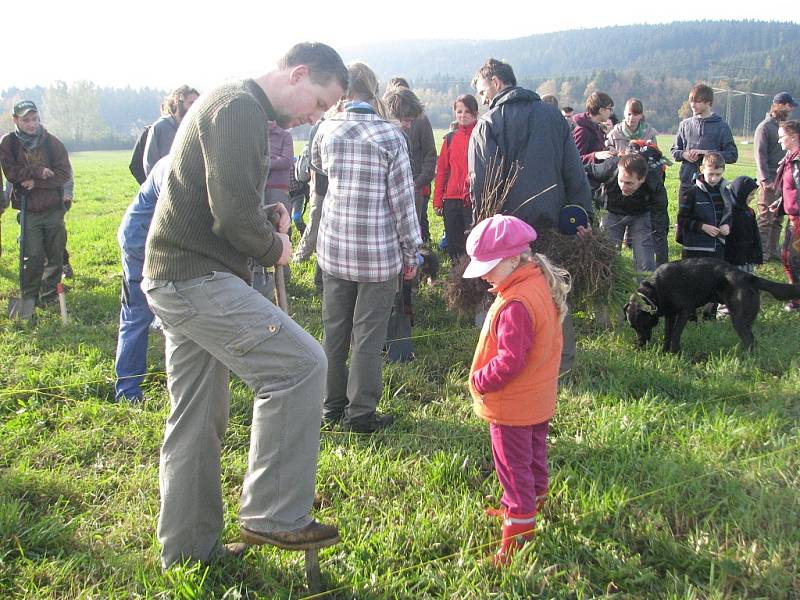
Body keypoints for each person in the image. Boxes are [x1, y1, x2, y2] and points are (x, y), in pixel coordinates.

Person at [142, 42, 348, 569]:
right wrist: (273, 244)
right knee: (302, 366)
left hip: (178, 276)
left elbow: (224, 200)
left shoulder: (233, 103)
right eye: (320, 103)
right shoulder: (240, 108)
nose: (313, 118)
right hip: (196, 278)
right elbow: (232, 220)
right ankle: (274, 514)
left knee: (195, 419)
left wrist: (265, 213)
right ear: (298, 73)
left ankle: (190, 553)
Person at [313, 63, 421, 433]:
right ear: (374, 91)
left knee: (335, 331)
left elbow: (311, 170)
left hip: (334, 250)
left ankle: (331, 406)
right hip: (378, 256)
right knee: (368, 337)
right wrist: (412, 254)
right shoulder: (390, 136)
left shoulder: (326, 130)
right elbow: (403, 204)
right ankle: (360, 414)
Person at [468, 57, 592, 374]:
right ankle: (559, 364)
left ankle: (505, 361)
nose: (483, 100)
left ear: (496, 82)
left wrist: (482, 231)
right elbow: (574, 173)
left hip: (507, 234)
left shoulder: (489, 124)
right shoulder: (553, 116)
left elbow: (482, 187)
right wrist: (582, 219)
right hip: (552, 227)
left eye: (483, 92)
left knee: (508, 295)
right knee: (552, 293)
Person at [463, 215, 569, 566]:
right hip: (537, 399)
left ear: (512, 259)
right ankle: (532, 506)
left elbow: (510, 362)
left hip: (512, 406)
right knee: (534, 457)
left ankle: (516, 540)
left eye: (489, 267)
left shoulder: (515, 305)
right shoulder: (536, 282)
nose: (483, 275)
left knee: (513, 470)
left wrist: (480, 380)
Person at [0, 100, 72, 310]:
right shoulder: (9, 144)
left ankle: (49, 297)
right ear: (15, 120)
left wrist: (36, 182)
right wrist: (38, 171)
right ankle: (29, 298)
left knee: (55, 256)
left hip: (53, 208)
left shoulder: (52, 143)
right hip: (28, 209)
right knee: (31, 256)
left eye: (35, 119)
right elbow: (11, 172)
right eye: (26, 120)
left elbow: (62, 174)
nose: (32, 124)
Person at [114, 157, 169, 403]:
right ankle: (127, 391)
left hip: (158, 240)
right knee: (137, 314)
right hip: (140, 241)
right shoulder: (173, 165)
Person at [607, 99, 670, 265]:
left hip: (641, 209)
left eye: (635, 114)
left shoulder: (652, 181)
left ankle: (645, 288)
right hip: (614, 209)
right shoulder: (615, 135)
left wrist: (662, 261)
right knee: (608, 254)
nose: (631, 118)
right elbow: (590, 171)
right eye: (628, 113)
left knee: (644, 257)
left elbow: (659, 220)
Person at [384, 77, 437, 243]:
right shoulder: (382, 133)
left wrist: (418, 182)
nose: (408, 125)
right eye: (406, 120)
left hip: (414, 188)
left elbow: (430, 154)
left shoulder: (421, 121)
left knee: (415, 230)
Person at [671, 84, 738, 201]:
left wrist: (707, 153)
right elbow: (674, 151)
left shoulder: (721, 127)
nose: (692, 104)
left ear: (708, 102)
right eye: (691, 100)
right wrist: (684, 154)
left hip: (712, 185)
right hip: (687, 183)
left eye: (697, 101)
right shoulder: (684, 125)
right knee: (684, 219)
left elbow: (732, 155)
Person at [592, 153, 657, 273]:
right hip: (611, 213)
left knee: (645, 261)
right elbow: (583, 172)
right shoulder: (609, 168)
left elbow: (660, 213)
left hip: (640, 215)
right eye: (621, 181)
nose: (623, 186)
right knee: (606, 258)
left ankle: (644, 290)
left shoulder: (653, 180)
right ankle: (610, 289)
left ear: (642, 179)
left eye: (629, 183)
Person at [434, 94, 478, 262]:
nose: (463, 115)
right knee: (454, 245)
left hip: (472, 200)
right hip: (451, 200)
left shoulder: (482, 136)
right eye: (459, 111)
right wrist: (438, 200)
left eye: (467, 111)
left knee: (472, 245)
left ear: (475, 113)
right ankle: (456, 281)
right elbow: (443, 171)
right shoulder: (450, 139)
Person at [754, 93, 796, 260]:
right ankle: (761, 252)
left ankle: (772, 251)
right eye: (788, 105)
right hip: (769, 181)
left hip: (782, 180)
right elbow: (760, 155)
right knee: (765, 219)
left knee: (778, 218)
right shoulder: (764, 127)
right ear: (779, 105)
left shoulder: (784, 127)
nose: (791, 109)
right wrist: (765, 179)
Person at [677, 151, 732, 260]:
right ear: (702, 170)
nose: (714, 178)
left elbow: (729, 215)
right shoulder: (691, 193)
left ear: (723, 172)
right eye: (710, 174)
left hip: (718, 248)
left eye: (718, 174)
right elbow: (682, 219)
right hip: (694, 249)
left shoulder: (726, 193)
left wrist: (727, 225)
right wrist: (702, 227)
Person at [770, 119, 800, 311]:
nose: (779, 141)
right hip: (792, 218)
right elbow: (790, 189)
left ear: (794, 137)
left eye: (782, 137)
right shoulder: (790, 158)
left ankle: (797, 300)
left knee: (793, 257)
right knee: (787, 256)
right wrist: (781, 203)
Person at [142, 85, 199, 177]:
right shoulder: (161, 127)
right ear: (178, 102)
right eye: (191, 103)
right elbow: (150, 163)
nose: (195, 107)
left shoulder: (197, 129)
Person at [724, 176, 762, 274]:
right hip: (730, 260)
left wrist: (757, 257)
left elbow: (756, 236)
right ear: (741, 193)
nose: (753, 197)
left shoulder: (749, 212)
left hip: (747, 259)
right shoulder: (728, 211)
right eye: (751, 195)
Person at [571, 92, 617, 164]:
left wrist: (607, 149)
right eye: (609, 109)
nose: (611, 113)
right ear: (601, 110)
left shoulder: (596, 126)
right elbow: (574, 160)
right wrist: (595, 155)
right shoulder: (582, 131)